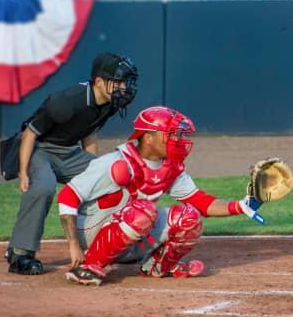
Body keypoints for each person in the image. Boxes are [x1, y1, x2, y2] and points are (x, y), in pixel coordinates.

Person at [61, 106, 268, 285]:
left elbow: (200, 202)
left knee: (189, 217)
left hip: (131, 225)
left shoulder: (170, 167)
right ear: (149, 138)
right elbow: (68, 196)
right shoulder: (116, 163)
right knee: (144, 211)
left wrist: (242, 206)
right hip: (90, 230)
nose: (178, 140)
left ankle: (157, 267)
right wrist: (74, 245)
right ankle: (89, 265)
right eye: (171, 134)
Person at [3, 53, 137, 275]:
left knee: (112, 177)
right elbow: (29, 134)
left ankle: (110, 243)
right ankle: (20, 254)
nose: (124, 87)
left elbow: (89, 133)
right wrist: (24, 172)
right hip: (40, 149)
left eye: (125, 81)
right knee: (43, 187)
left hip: (69, 152)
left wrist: (96, 170)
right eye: (119, 81)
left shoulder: (109, 102)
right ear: (100, 82)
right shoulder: (66, 101)